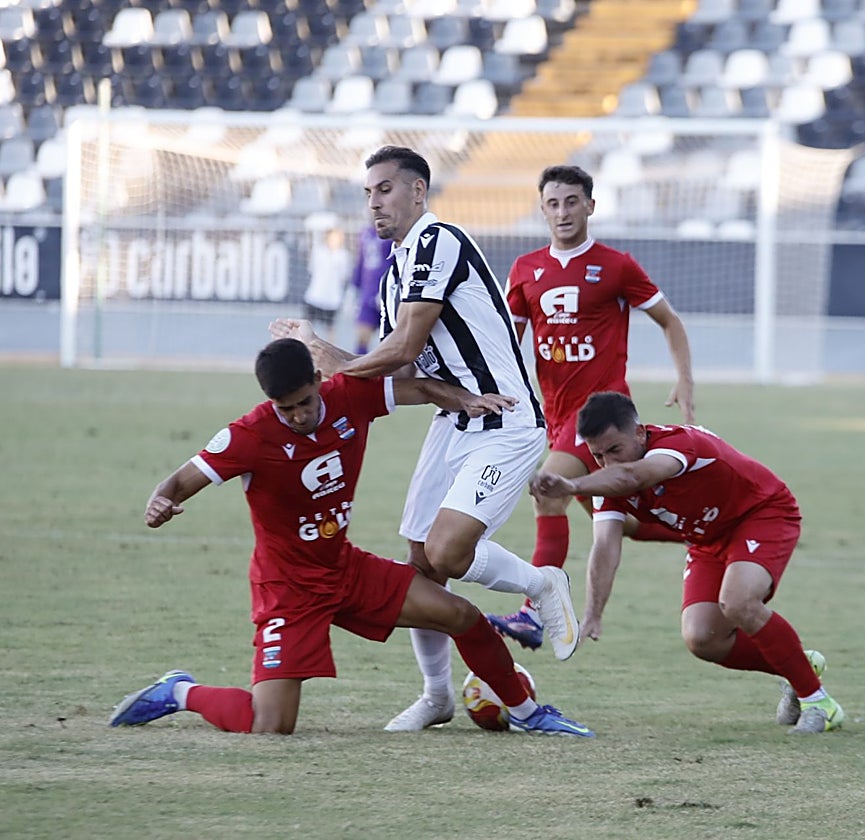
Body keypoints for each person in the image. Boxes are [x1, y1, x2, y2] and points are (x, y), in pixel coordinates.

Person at [109, 338, 592, 737]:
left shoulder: (347, 396)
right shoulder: (248, 435)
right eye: (285, 409)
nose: (298, 416)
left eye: (304, 402)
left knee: (462, 616)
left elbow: (421, 387)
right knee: (271, 724)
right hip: (288, 589)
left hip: (344, 569)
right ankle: (179, 691)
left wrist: (465, 400)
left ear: (319, 381)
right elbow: (177, 482)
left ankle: (527, 713)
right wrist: (160, 504)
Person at [269, 146, 580, 733]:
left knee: (447, 551)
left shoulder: (440, 241)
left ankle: (543, 584)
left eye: (385, 189)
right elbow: (402, 372)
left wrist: (325, 361)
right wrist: (319, 350)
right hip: (455, 420)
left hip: (507, 421)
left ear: (417, 191)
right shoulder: (395, 274)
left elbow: (402, 349)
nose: (374, 202)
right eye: (368, 193)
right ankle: (437, 696)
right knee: (421, 563)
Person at [528, 391, 843, 734]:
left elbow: (633, 477)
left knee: (739, 602)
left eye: (615, 449)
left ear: (639, 433)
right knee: (702, 638)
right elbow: (605, 546)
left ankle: (819, 703)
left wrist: (571, 485)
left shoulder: (676, 445)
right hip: (707, 538)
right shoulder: (608, 483)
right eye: (598, 455)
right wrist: (593, 613)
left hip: (760, 513)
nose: (608, 463)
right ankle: (798, 666)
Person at [486, 164, 695, 652]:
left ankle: (534, 613)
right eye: (553, 204)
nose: (563, 212)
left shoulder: (616, 265)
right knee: (625, 523)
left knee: (547, 490)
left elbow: (669, 320)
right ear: (542, 210)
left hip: (600, 414)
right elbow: (507, 345)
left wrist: (684, 378)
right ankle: (706, 530)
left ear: (590, 206)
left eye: (572, 202)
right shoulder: (525, 270)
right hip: (556, 416)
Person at [302, 226, 352, 341]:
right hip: (315, 295)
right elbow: (312, 269)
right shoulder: (318, 252)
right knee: (306, 325)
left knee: (330, 328)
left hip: (332, 299)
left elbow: (344, 276)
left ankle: (330, 349)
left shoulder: (343, 256)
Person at [351, 221, 392, 355]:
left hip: (388, 294)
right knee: (362, 337)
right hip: (367, 294)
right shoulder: (366, 233)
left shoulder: (393, 232)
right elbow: (361, 261)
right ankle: (359, 367)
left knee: (390, 343)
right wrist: (354, 287)